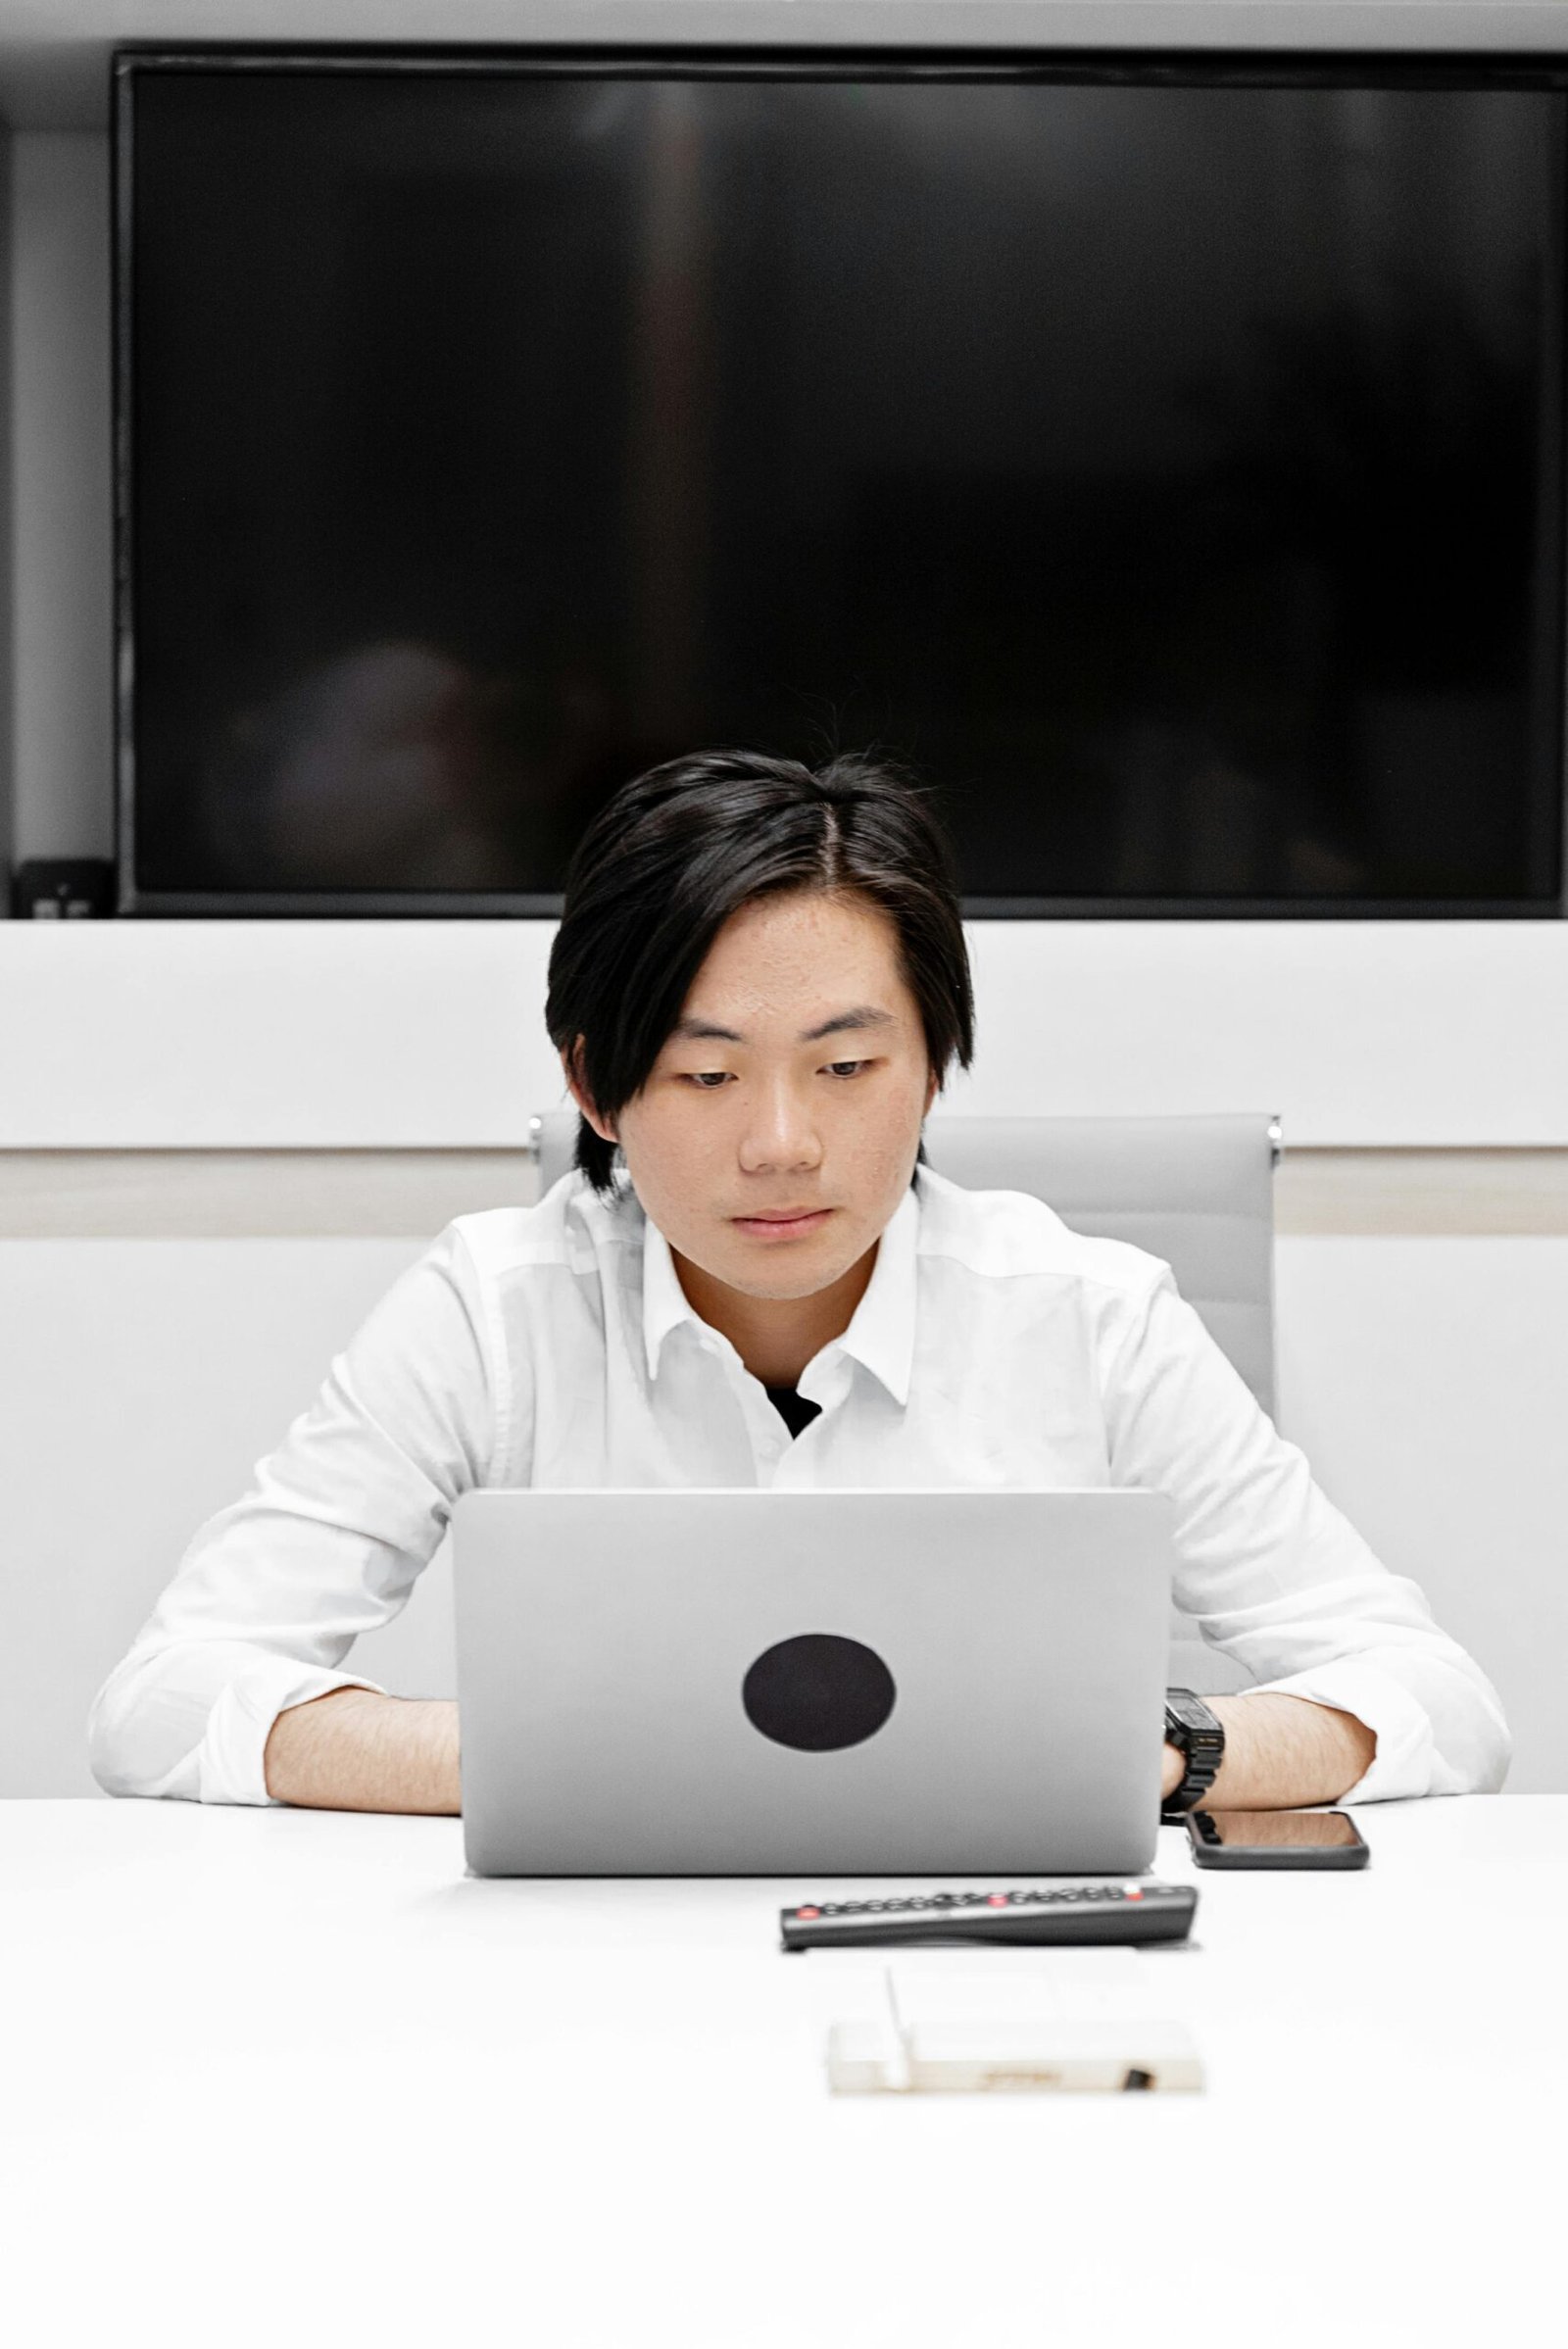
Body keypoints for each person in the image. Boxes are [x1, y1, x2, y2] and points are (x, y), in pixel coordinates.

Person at [87, 748, 1511, 1815]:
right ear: (594, 1082)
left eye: (845, 1067)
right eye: (707, 1073)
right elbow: (167, 1699)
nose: (781, 1144)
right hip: (579, 1990)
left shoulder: (1088, 1314)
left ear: (937, 1062)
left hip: (1005, 1965)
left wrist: (1145, 1755)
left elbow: (1433, 1698)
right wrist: (559, 1760)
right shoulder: (492, 1307)